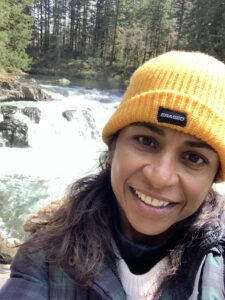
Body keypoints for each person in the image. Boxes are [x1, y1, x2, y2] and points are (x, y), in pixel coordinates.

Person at [0, 51, 225, 300]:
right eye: (146, 141)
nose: (160, 177)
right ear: (112, 147)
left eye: (194, 158)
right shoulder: (45, 256)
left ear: (214, 176)